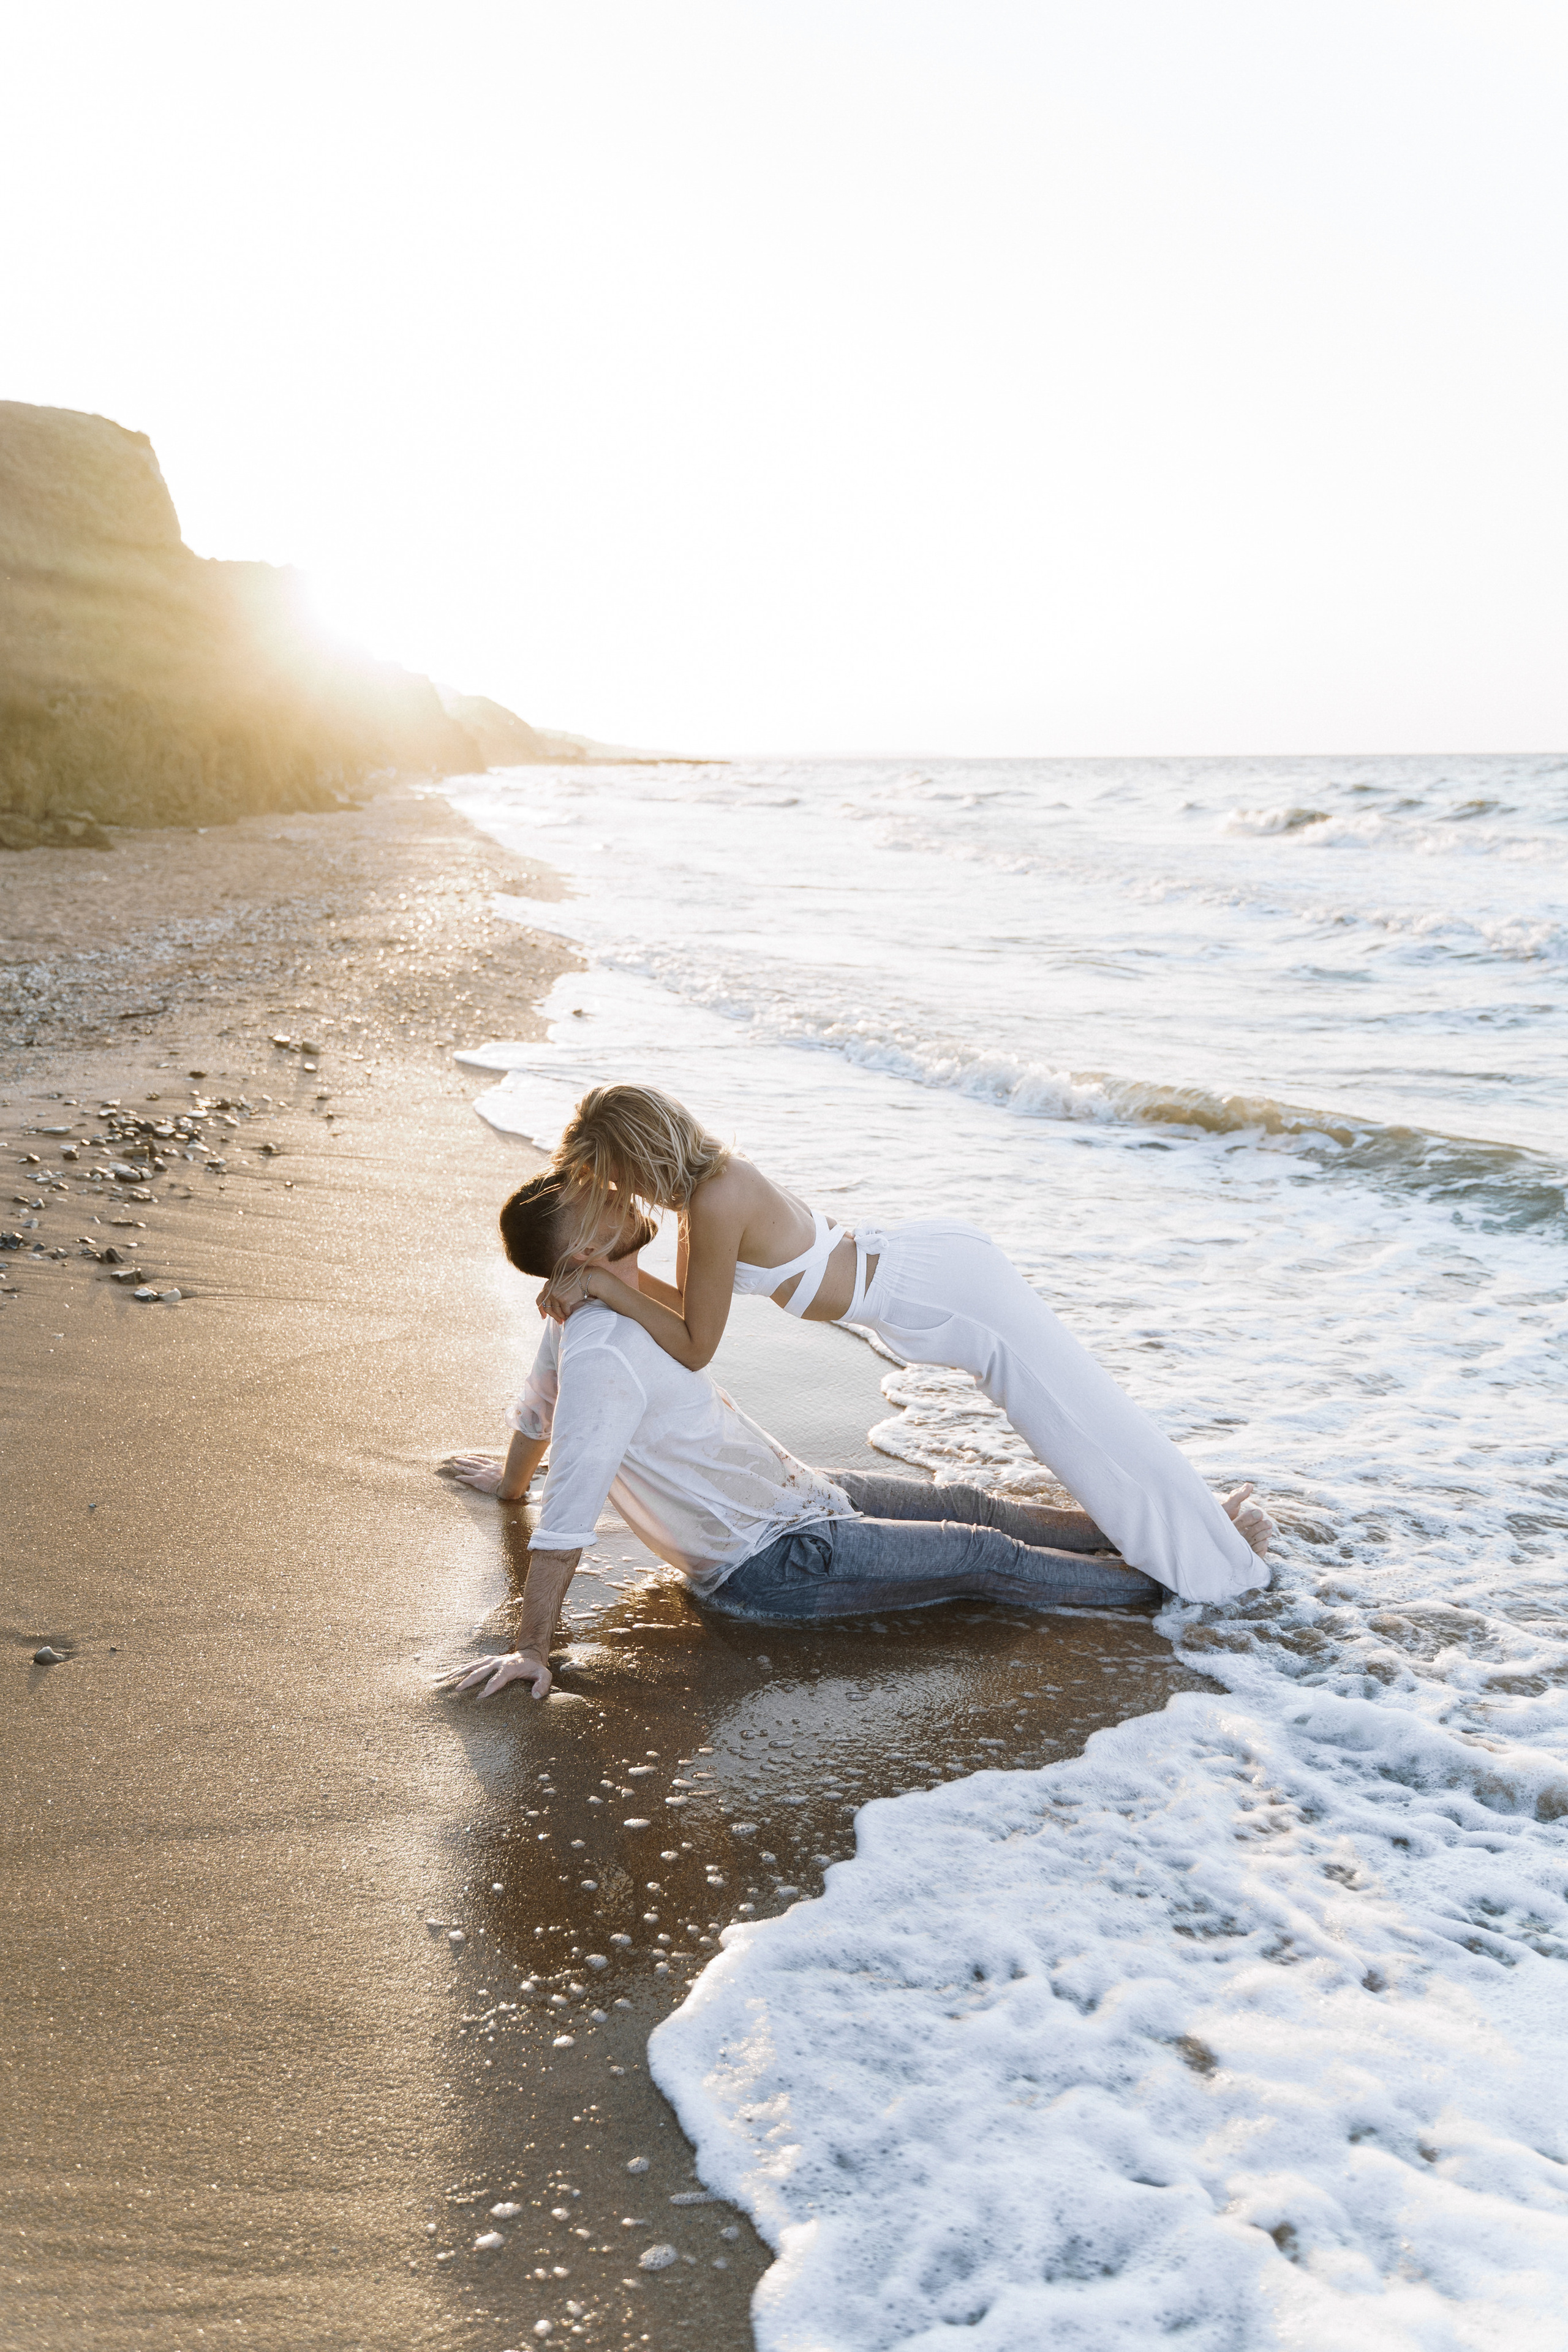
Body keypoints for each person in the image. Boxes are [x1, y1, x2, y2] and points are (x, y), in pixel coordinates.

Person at [536, 1084, 1273, 1607]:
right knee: (1079, 1426)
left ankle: (1220, 1567)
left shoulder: (717, 1198)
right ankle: (1199, 1534)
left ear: (637, 1154)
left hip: (947, 1291)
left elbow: (694, 1346)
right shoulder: (708, 1195)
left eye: (609, 1177)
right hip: (928, 1282)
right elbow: (687, 1313)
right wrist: (597, 1281)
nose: (614, 1196)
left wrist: (599, 1284)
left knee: (1084, 1426)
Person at [437, 1176, 1163, 1702]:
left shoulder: (596, 1310)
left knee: (976, 1506)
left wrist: (508, 1485)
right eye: (593, 1196)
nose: (612, 1186)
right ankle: (1172, 1583)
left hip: (801, 1496)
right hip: (773, 1561)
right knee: (984, 1554)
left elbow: (536, 1410)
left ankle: (1160, 1534)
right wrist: (531, 1650)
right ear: (584, 1250)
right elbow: (566, 1517)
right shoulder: (601, 1353)